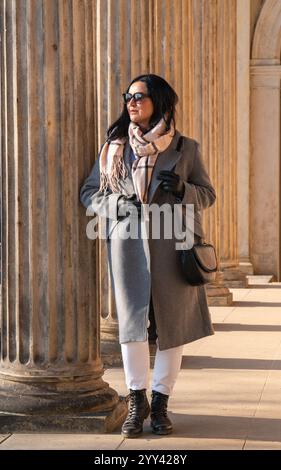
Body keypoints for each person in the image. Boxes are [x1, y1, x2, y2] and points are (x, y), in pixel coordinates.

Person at [80, 74, 216, 438]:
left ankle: (160, 404)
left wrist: (185, 189)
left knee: (173, 326)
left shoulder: (186, 148)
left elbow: (208, 194)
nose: (131, 102)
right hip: (127, 247)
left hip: (174, 247)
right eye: (127, 96)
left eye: (139, 96)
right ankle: (136, 400)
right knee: (132, 325)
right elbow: (90, 192)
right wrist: (116, 205)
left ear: (158, 100)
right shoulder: (114, 148)